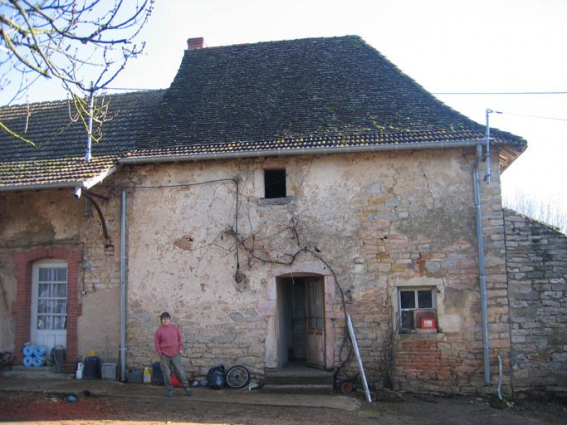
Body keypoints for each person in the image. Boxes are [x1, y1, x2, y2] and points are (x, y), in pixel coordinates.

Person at [154, 311, 193, 398]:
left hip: (175, 354)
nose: (166, 320)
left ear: (169, 319)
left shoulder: (174, 328)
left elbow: (180, 339)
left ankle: (186, 388)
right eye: (164, 319)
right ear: (161, 320)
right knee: (166, 373)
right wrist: (160, 353)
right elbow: (157, 344)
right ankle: (169, 390)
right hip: (164, 355)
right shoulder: (159, 331)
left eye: (167, 319)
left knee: (180, 372)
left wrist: (180, 349)